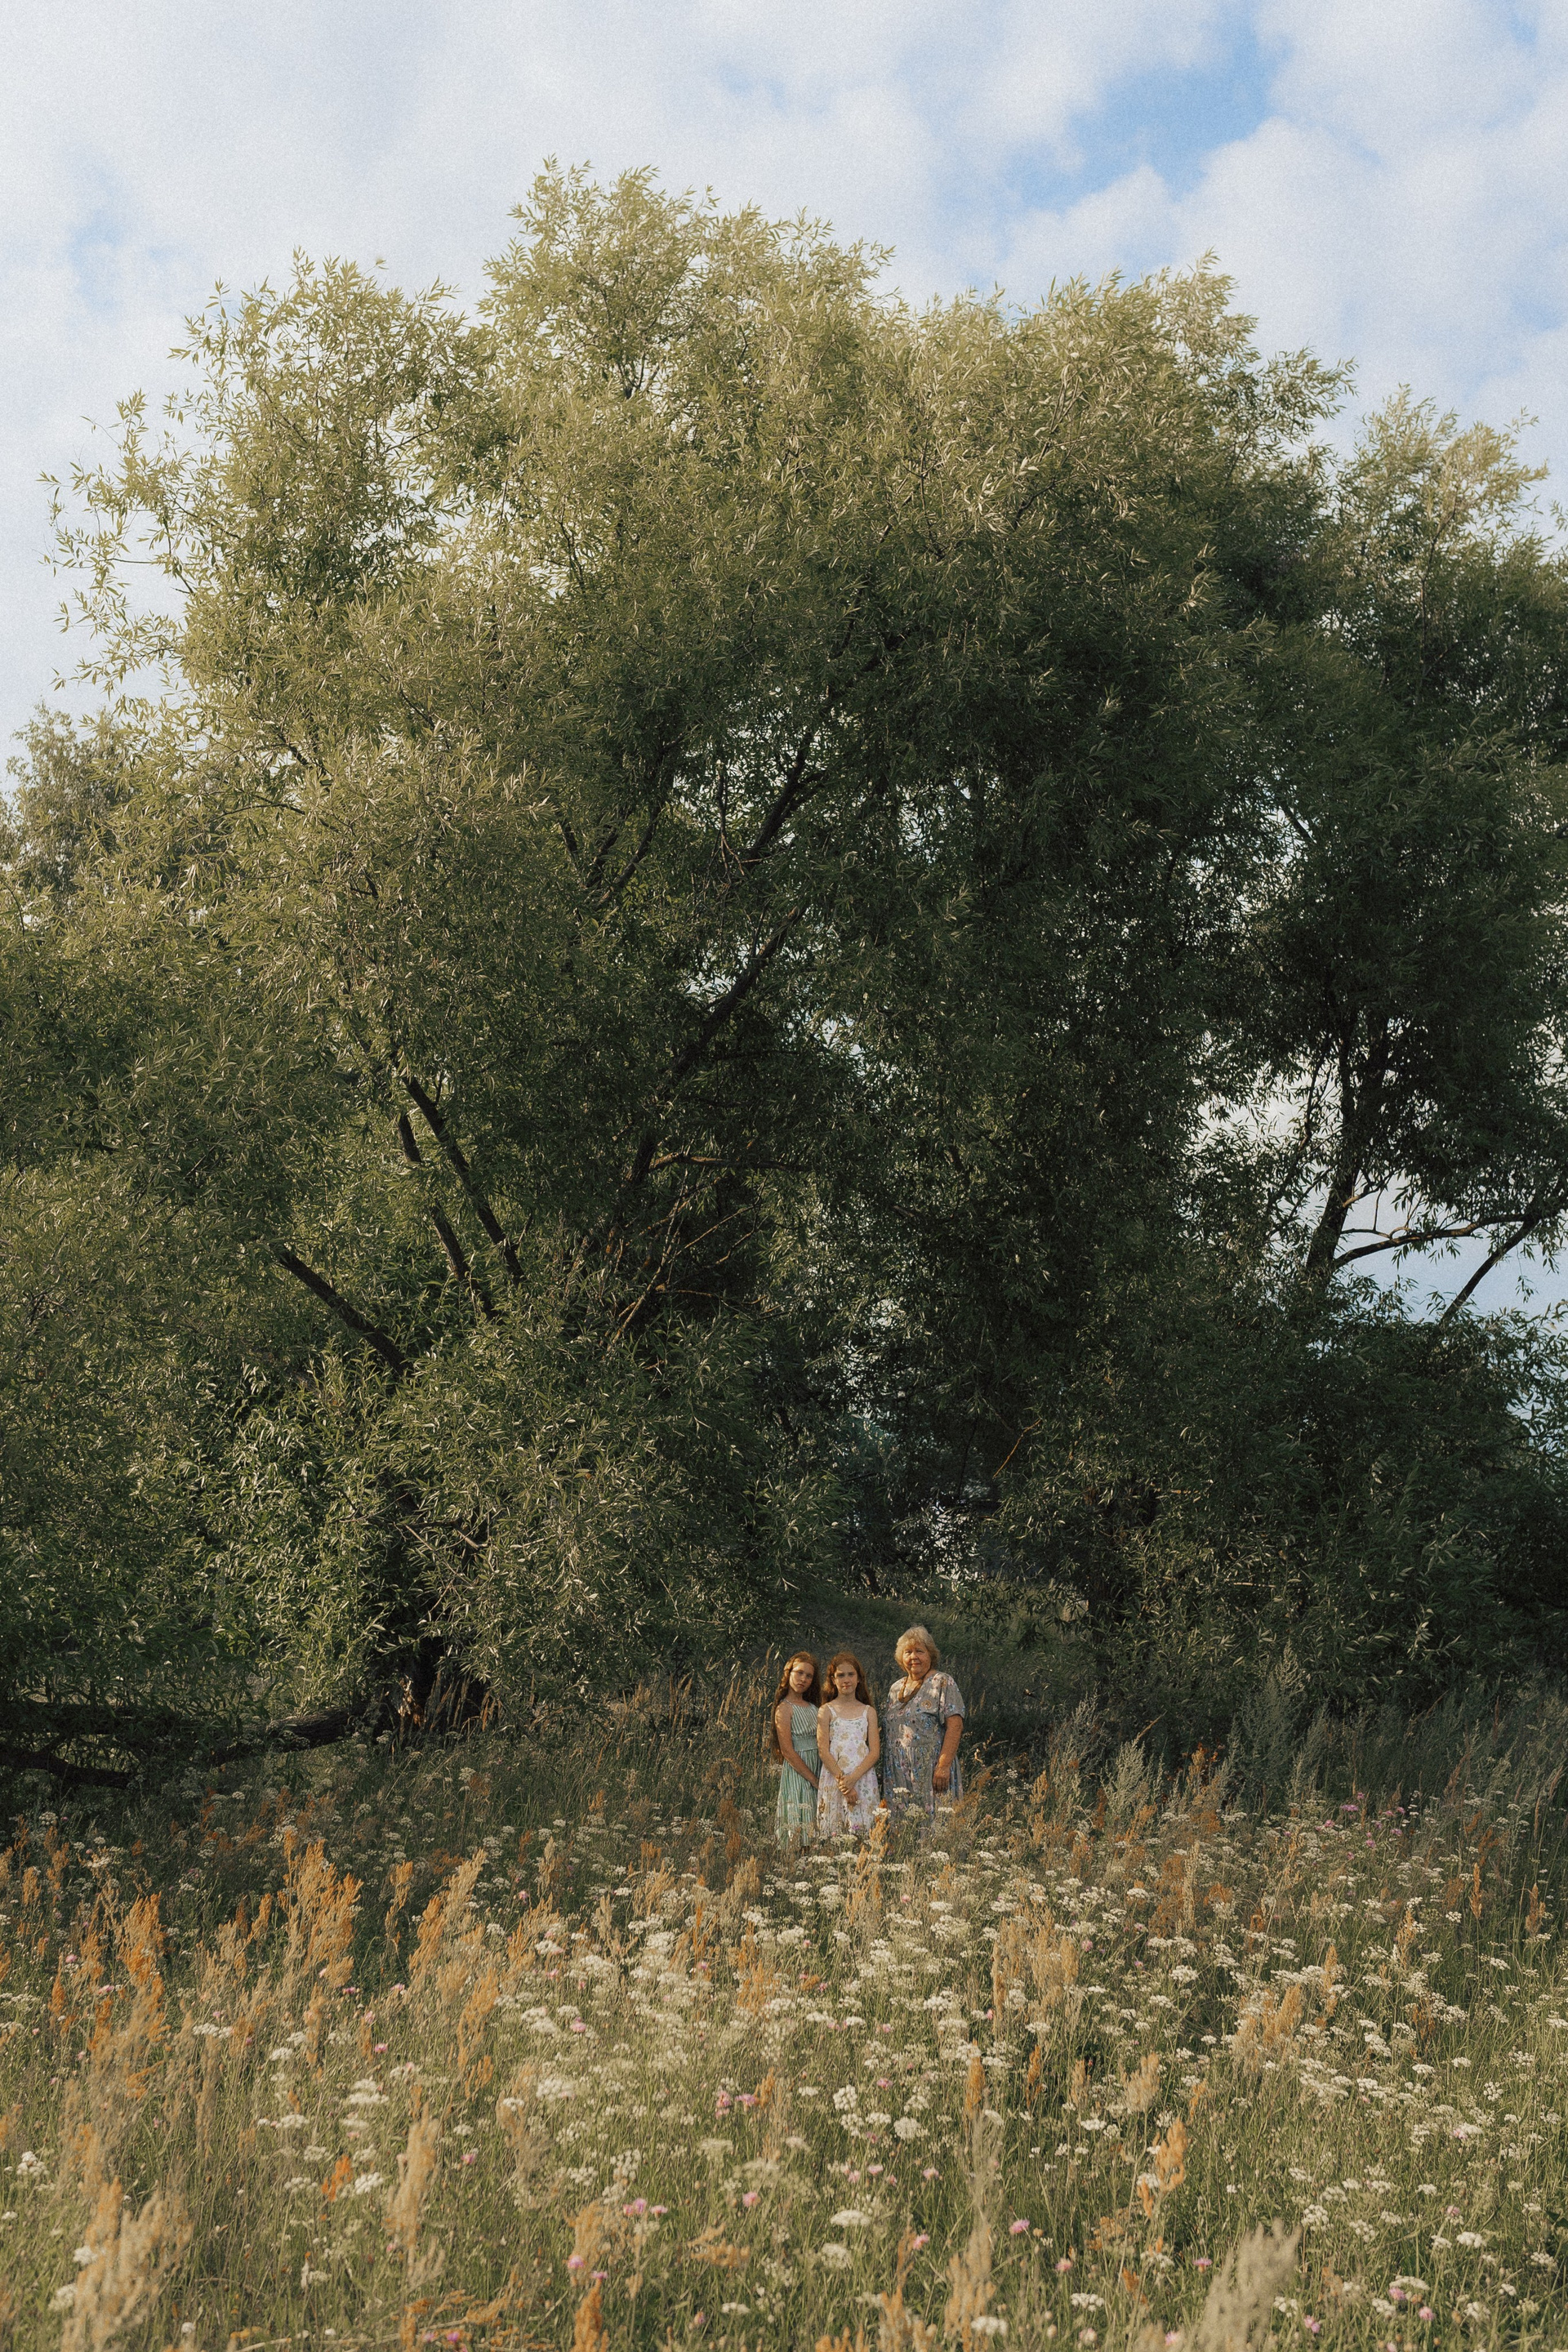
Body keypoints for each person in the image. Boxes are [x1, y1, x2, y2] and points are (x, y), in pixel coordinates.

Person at [883, 1624, 964, 1824]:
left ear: (930, 1655)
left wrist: (943, 1766)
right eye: (908, 1652)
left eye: (920, 1651)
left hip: (930, 1769)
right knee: (902, 1829)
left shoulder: (942, 1682)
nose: (914, 1657)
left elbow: (955, 1726)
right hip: (896, 1772)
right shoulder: (895, 1688)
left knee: (933, 1826)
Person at [816, 1650, 880, 1838]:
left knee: (863, 1832)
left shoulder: (868, 1712)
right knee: (834, 1832)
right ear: (833, 1680)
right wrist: (844, 1782)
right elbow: (823, 1751)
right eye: (840, 1675)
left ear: (859, 1678)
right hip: (836, 1778)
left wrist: (854, 1778)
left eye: (851, 1674)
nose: (846, 1680)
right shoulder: (826, 1710)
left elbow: (875, 1752)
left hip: (862, 1777)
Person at [771, 1652, 823, 1844]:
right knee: (799, 1820)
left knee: (817, 1820)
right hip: (799, 1770)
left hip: (818, 1763)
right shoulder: (784, 1708)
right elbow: (787, 1751)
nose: (803, 1679)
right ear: (789, 1673)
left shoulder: (813, 1707)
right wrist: (813, 1779)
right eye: (799, 1673)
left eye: (809, 1676)